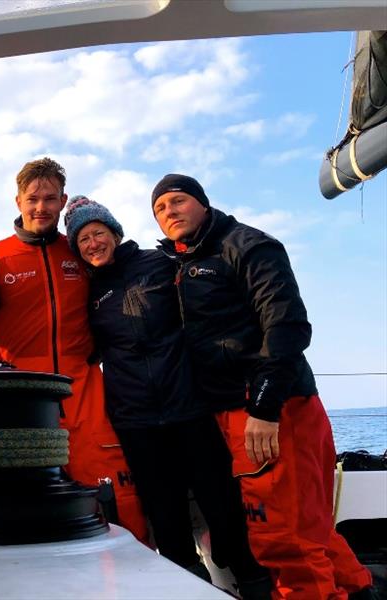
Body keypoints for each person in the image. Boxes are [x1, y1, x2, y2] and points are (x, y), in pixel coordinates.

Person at [151, 174, 374, 599]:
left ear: (202, 202)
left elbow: (286, 324)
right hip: (244, 409)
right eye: (160, 209)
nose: (170, 212)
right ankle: (359, 592)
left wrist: (265, 408)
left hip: (267, 409)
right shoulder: (184, 262)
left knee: (283, 538)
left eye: (178, 201)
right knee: (312, 527)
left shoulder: (247, 245)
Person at [64, 195, 271, 598]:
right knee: (168, 523)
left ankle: (254, 584)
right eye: (83, 239)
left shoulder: (160, 264)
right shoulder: (88, 291)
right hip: (136, 420)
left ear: (115, 232)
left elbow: (210, 307)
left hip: (189, 406)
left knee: (225, 513)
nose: (92, 243)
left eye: (98, 233)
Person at [0, 157, 148, 543]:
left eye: (51, 199)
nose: (41, 207)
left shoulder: (79, 251)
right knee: (29, 500)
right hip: (24, 397)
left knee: (116, 492)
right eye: (33, 199)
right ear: (18, 201)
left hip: (85, 388)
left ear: (63, 201)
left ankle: (132, 579)